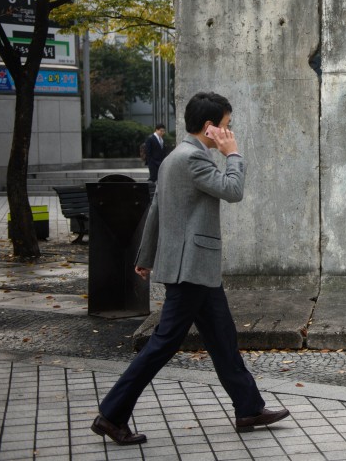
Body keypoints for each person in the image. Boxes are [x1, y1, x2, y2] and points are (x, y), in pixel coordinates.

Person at [92, 92, 289, 446]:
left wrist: (146, 255)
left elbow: (156, 209)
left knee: (223, 340)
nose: (230, 132)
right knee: (162, 345)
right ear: (210, 127)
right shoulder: (193, 159)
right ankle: (111, 414)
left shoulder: (174, 157)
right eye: (227, 126)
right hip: (190, 268)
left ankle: (249, 408)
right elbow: (233, 191)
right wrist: (234, 155)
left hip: (194, 268)